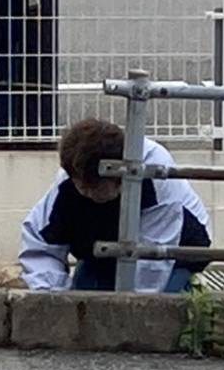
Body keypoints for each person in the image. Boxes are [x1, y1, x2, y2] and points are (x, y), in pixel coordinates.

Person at [20, 118, 211, 294]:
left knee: (164, 302)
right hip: (103, 252)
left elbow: (153, 263)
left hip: (175, 252)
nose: (88, 192)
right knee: (84, 298)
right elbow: (41, 241)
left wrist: (131, 308)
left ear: (118, 173)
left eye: (96, 186)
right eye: (83, 187)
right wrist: (53, 295)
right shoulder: (69, 180)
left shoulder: (155, 173)